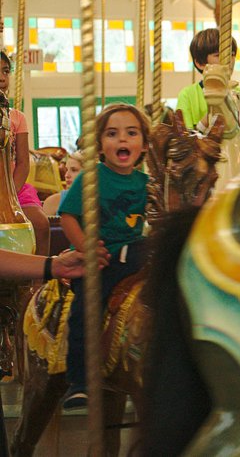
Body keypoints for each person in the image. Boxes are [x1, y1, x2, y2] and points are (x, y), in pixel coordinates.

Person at [58, 103, 150, 410]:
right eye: (112, 134)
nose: (122, 140)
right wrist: (84, 248)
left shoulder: (146, 184)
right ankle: (79, 380)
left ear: (144, 144)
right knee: (85, 308)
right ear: (100, 145)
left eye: (131, 133)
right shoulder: (90, 178)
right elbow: (68, 216)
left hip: (135, 258)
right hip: (101, 262)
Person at [175, 29, 240, 155]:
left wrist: (236, 113)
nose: (228, 60)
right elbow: (186, 143)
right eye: (218, 54)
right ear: (200, 63)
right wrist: (213, 111)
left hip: (235, 161)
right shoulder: (187, 95)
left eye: (231, 54)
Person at [0, 52, 49, 255]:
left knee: (40, 222)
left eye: (5, 71)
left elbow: (23, 162)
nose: (2, 77)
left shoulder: (17, 117)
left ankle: (42, 277)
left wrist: (9, 196)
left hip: (13, 186)